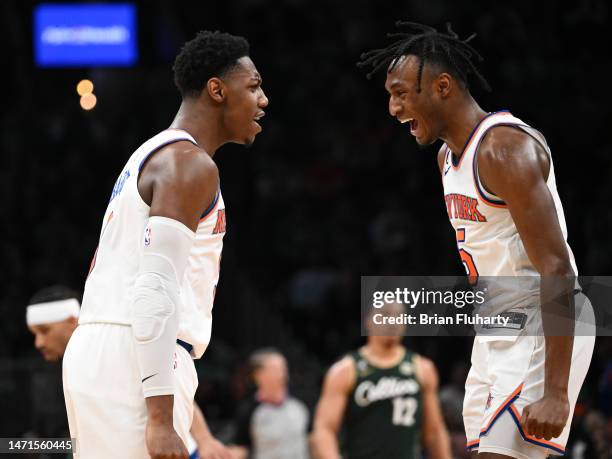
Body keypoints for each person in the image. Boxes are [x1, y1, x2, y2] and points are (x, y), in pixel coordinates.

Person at [357, 21, 595, 459]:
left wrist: (558, 391)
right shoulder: (447, 158)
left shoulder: (503, 149)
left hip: (541, 321)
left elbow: (557, 269)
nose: (393, 108)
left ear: (442, 86)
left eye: (401, 92)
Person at [62, 30, 268, 459]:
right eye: (253, 87)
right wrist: (160, 418)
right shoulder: (189, 164)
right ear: (216, 90)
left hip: (103, 346)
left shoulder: (151, 153)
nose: (262, 99)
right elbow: (155, 289)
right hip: (135, 353)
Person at [27, 286, 231, 459]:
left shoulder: (114, 346)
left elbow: (165, 386)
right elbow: (71, 441)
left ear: (72, 320)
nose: (39, 343)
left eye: (45, 331)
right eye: (34, 335)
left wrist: (205, 440)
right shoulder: (54, 371)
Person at [311, 302, 452, 459]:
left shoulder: (423, 368)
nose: (392, 322)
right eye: (385, 315)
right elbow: (324, 429)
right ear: (368, 320)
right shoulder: (345, 371)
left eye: (398, 316)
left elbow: (434, 432)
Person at [230, 348, 310, 459]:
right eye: (275, 369)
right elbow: (240, 449)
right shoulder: (248, 410)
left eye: (283, 368)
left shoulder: (301, 403)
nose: (282, 374)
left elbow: (314, 438)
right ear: (257, 375)